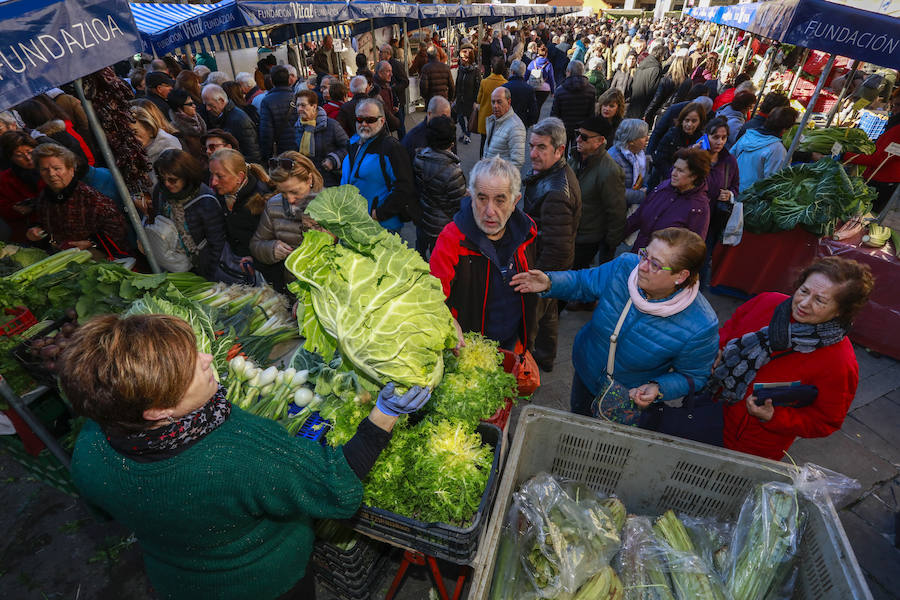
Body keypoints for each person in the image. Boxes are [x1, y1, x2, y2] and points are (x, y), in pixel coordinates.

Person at [63, 312, 430, 600]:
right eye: (192, 367)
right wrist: (385, 414)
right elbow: (337, 487)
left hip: (177, 583)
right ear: (158, 411)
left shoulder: (91, 445)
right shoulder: (240, 450)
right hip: (265, 586)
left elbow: (103, 511)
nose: (207, 359)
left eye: (195, 351)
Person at [511, 227, 719, 421]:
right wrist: (550, 282)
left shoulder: (700, 325)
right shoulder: (625, 267)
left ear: (681, 276)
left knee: (604, 441)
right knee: (578, 417)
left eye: (655, 264)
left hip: (627, 394)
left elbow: (694, 375)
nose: (643, 267)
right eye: (645, 255)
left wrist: (658, 387)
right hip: (587, 369)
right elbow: (584, 282)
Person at [712, 257, 873, 460]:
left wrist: (774, 417)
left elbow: (825, 421)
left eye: (820, 300)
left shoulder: (839, 363)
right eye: (804, 291)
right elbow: (728, 331)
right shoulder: (766, 302)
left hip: (749, 446)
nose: (804, 304)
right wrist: (718, 350)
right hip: (710, 405)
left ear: (840, 311)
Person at [430, 156, 537, 351]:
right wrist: (448, 321)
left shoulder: (527, 233)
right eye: (482, 198)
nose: (489, 211)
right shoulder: (452, 239)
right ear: (470, 197)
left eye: (500, 200)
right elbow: (432, 298)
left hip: (513, 346)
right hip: (468, 352)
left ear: (515, 202)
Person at [522, 117, 582, 371]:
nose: (533, 153)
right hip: (549, 268)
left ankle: (526, 369)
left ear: (559, 150)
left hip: (544, 267)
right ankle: (545, 358)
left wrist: (538, 277)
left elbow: (558, 248)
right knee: (548, 314)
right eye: (532, 146)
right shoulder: (550, 175)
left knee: (531, 320)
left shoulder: (557, 190)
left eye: (541, 148)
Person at [27, 143, 126, 252]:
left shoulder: (90, 198)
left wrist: (91, 242)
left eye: (57, 168)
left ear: (71, 170)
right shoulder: (44, 196)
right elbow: (43, 222)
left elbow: (118, 228)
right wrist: (36, 230)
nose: (51, 174)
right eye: (44, 169)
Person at [250, 152, 328, 290]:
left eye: (295, 192)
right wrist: (271, 249)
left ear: (309, 179)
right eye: (284, 193)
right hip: (293, 288)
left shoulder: (332, 206)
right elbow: (256, 244)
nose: (290, 199)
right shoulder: (273, 206)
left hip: (326, 290)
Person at [340, 99, 417, 233]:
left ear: (381, 121)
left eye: (370, 120)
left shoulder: (392, 148)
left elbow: (404, 187)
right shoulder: (354, 144)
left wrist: (379, 213)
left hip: (382, 227)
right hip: (356, 222)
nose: (364, 124)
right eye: (359, 119)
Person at [151, 149, 226, 279]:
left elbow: (217, 243)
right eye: (162, 179)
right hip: (170, 261)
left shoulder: (206, 200)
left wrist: (210, 275)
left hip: (200, 265)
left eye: (172, 180)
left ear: (187, 176)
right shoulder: (160, 190)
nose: (167, 184)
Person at [569, 117, 626, 275]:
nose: (578, 139)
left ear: (600, 141)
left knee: (575, 275)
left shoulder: (610, 171)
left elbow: (616, 211)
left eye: (584, 137)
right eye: (578, 134)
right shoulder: (575, 158)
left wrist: (609, 246)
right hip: (570, 231)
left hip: (586, 238)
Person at [626, 147, 711, 252]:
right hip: (638, 254)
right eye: (674, 167)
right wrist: (614, 235)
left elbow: (693, 249)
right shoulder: (664, 186)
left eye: (680, 171)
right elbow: (638, 216)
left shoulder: (699, 208)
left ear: (694, 176)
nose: (673, 173)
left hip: (660, 265)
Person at [413, 116, 467, 259]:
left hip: (423, 219)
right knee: (439, 261)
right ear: (451, 140)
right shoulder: (454, 171)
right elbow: (458, 206)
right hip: (443, 227)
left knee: (420, 254)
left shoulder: (419, 158)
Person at [208, 148, 270, 269]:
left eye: (220, 176)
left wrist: (255, 261)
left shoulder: (261, 199)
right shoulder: (219, 195)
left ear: (239, 178)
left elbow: (267, 244)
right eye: (212, 174)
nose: (213, 182)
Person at [842, 88, 900, 211]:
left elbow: (880, 159)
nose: (894, 109)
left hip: (884, 180)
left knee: (864, 215)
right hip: (881, 177)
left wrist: (846, 156)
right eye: (893, 105)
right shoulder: (895, 124)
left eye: (898, 105)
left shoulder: (898, 129)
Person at [731, 106, 799, 192]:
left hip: (734, 191)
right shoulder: (777, 150)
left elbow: (729, 159)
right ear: (785, 129)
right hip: (750, 199)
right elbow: (773, 185)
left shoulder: (748, 135)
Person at [292, 90, 349, 188]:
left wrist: (333, 160)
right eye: (297, 106)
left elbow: (348, 147)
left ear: (314, 106)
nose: (299, 109)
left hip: (329, 180)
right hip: (306, 181)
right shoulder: (298, 127)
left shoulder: (331, 125)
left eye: (303, 105)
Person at [702, 117, 740, 250]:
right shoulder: (695, 156)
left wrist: (729, 194)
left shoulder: (730, 161)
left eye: (724, 138)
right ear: (706, 136)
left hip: (712, 221)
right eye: (715, 137)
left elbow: (735, 186)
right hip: (691, 215)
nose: (720, 142)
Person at [651, 101, 707, 188]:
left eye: (694, 121)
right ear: (682, 120)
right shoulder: (672, 135)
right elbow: (660, 160)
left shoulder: (700, 139)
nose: (689, 124)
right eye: (687, 120)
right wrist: (673, 176)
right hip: (664, 181)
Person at [202, 84, 261, 164]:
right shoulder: (222, 116)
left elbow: (253, 155)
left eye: (210, 105)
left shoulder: (239, 120)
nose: (207, 109)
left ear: (221, 101)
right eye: (205, 105)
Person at [0, 131, 41, 242]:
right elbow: (3, 209)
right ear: (10, 158)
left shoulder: (50, 168)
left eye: (30, 152)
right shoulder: (4, 180)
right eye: (19, 155)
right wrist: (15, 209)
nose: (28, 158)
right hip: (30, 233)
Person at [130, 106, 182, 187]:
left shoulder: (168, 147)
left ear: (149, 128)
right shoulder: (136, 152)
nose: (131, 139)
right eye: (128, 135)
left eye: (135, 132)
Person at [550, 60, 597, 146]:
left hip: (563, 128)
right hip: (581, 129)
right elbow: (591, 114)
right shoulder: (591, 90)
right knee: (578, 154)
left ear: (569, 72)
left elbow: (555, 113)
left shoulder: (560, 90)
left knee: (561, 153)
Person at [258, 66, 299, 162]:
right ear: (289, 79)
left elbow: (266, 132)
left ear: (271, 81)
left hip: (282, 149)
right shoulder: (297, 97)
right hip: (299, 144)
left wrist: (266, 155)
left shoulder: (267, 101)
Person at [608, 118, 651, 208]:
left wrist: (646, 188)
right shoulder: (615, 159)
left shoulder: (639, 154)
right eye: (643, 136)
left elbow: (643, 178)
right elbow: (614, 192)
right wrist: (642, 195)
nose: (647, 139)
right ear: (631, 141)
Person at [484, 87, 527, 169]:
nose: (495, 106)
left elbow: (517, 163)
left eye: (499, 102)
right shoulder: (494, 120)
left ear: (509, 102)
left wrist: (499, 179)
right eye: (493, 102)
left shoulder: (516, 127)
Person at [401, 96, 452, 163]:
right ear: (429, 114)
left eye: (448, 118)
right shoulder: (412, 139)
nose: (445, 122)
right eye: (442, 117)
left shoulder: (449, 131)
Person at [643, 54, 691, 126]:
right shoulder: (688, 81)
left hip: (663, 113)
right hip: (678, 113)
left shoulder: (666, 79)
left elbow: (657, 98)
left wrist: (647, 113)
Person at [475, 59, 509, 156]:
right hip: (499, 119)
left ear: (491, 68)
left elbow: (478, 99)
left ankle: (482, 162)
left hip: (485, 118)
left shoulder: (484, 82)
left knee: (483, 142)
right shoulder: (505, 83)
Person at [167, 89, 207, 162]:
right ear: (179, 109)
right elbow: (184, 157)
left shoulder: (198, 120)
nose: (194, 106)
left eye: (193, 103)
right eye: (190, 104)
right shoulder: (175, 130)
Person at [626, 43, 665, 119]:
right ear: (660, 55)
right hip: (644, 105)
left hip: (634, 100)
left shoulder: (642, 64)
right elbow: (653, 90)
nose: (663, 59)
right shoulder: (656, 69)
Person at [455, 42, 482, 145]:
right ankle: (464, 132)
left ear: (469, 59)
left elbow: (478, 87)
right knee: (460, 117)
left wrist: (476, 101)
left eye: (463, 58)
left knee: (469, 119)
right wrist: (455, 97)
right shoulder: (460, 70)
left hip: (470, 99)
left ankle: (467, 135)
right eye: (461, 58)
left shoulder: (475, 71)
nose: (461, 60)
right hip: (460, 98)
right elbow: (457, 83)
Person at [503, 60, 539, 130]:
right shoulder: (529, 89)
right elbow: (534, 111)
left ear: (512, 72)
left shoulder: (504, 87)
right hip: (522, 123)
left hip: (506, 123)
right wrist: (527, 122)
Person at [372, 61, 402, 133]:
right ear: (380, 73)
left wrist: (391, 109)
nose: (391, 74)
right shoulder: (375, 89)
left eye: (391, 71)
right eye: (388, 71)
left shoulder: (385, 85)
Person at [526, 43, 555, 114]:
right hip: (544, 88)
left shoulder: (533, 63)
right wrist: (552, 91)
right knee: (539, 105)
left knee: (533, 104)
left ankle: (532, 120)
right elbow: (551, 78)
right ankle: (536, 119)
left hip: (532, 86)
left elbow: (526, 74)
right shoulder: (549, 64)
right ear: (546, 54)